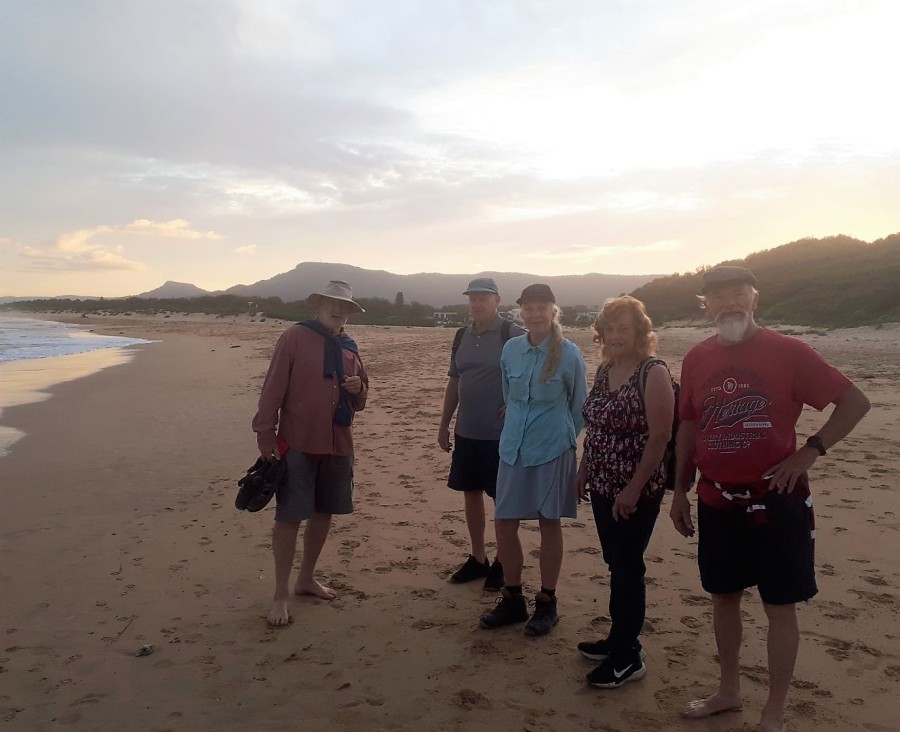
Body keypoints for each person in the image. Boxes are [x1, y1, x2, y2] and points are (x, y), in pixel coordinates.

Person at [669, 266, 870, 732]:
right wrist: (678, 489)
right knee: (723, 598)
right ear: (706, 306)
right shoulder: (697, 358)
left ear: (755, 299)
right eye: (718, 297)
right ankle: (728, 692)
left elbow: (855, 402)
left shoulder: (789, 351)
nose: (729, 303)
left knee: (779, 607)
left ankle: (773, 712)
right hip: (716, 499)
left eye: (738, 293)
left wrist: (809, 452)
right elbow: (689, 425)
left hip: (776, 501)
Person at [252, 280, 369, 627]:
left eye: (345, 306)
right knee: (289, 516)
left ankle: (306, 578)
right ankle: (280, 595)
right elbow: (273, 388)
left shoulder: (349, 346)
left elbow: (361, 398)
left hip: (338, 443)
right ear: (318, 306)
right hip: (298, 443)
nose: (338, 310)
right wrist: (265, 436)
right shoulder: (294, 337)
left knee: (323, 512)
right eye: (332, 303)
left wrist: (358, 388)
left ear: (350, 312)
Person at [575, 296, 675, 688]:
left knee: (628, 566)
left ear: (639, 333)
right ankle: (619, 639)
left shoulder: (653, 372)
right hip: (602, 484)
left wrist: (633, 490)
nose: (616, 335)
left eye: (624, 328)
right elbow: (596, 427)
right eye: (610, 329)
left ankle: (627, 656)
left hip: (636, 490)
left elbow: (660, 437)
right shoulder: (606, 369)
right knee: (616, 562)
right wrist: (583, 470)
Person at [479, 284, 587, 636]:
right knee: (504, 522)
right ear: (521, 313)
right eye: (529, 308)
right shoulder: (511, 349)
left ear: (554, 311)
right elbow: (509, 397)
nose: (535, 314)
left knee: (548, 522)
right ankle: (512, 598)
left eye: (542, 307)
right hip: (512, 447)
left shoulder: (569, 353)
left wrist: (560, 438)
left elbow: (579, 408)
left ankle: (547, 601)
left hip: (552, 449)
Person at [439, 277, 526, 589]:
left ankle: (503, 560)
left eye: (483, 298)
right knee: (471, 493)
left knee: (503, 500)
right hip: (467, 431)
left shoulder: (512, 333)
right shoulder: (461, 335)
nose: (477, 303)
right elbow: (455, 380)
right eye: (473, 298)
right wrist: (444, 423)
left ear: (497, 300)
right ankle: (478, 558)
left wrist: (516, 403)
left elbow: (535, 372)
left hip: (502, 435)